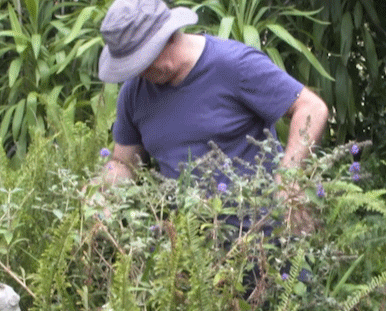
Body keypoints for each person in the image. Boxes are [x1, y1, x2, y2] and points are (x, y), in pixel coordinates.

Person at [96, 0, 329, 205]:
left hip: (263, 238)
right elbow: (125, 163)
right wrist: (99, 191)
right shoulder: (134, 92)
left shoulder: (234, 65)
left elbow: (311, 108)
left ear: (167, 38)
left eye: (142, 61)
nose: (138, 72)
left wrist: (289, 176)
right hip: (190, 245)